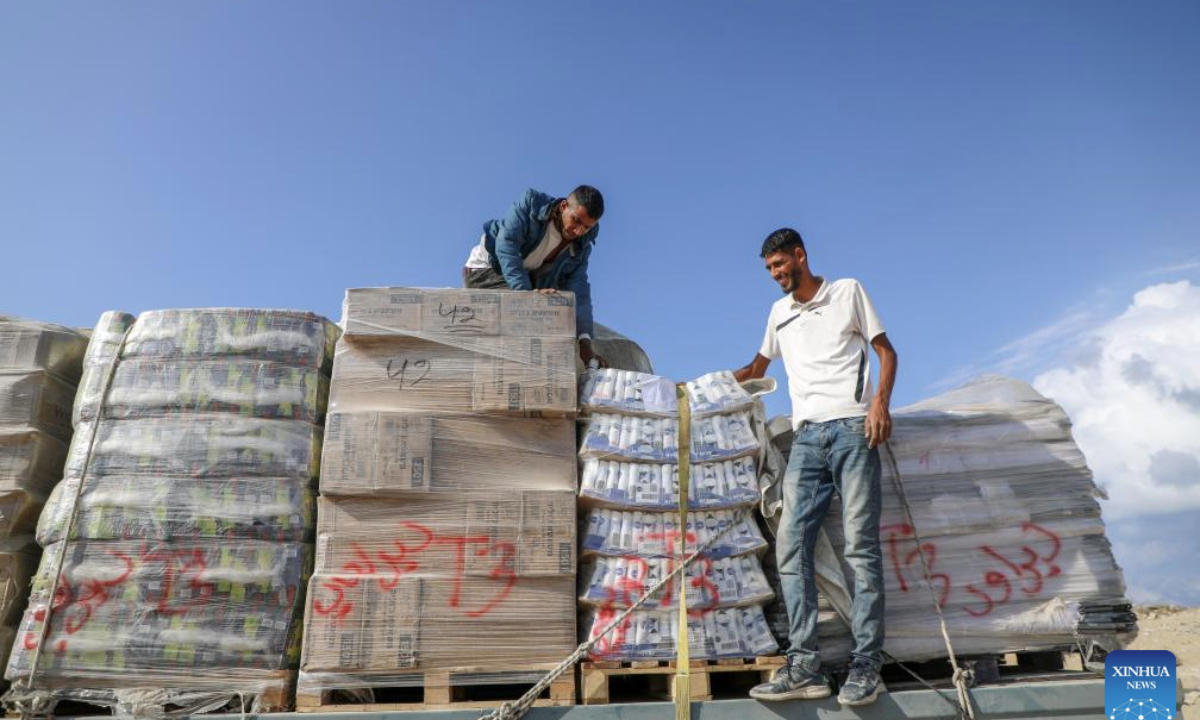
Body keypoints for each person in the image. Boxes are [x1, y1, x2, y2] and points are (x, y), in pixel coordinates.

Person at [738, 228, 898, 706]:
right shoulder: (778, 313)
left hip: (853, 430)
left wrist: (879, 404)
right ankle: (804, 664)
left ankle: (867, 662)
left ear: (801, 256)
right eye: (769, 269)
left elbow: (886, 350)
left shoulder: (847, 291)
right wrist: (700, 388)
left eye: (780, 265)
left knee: (860, 548)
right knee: (790, 545)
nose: (776, 275)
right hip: (807, 440)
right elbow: (756, 368)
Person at [463, 186, 607, 367]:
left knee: (556, 309)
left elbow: (579, 288)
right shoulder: (531, 204)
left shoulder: (581, 246)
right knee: (541, 313)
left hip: (522, 284)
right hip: (486, 270)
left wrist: (585, 342)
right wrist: (527, 297)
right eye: (576, 221)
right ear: (563, 207)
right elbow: (506, 246)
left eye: (587, 227)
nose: (579, 231)